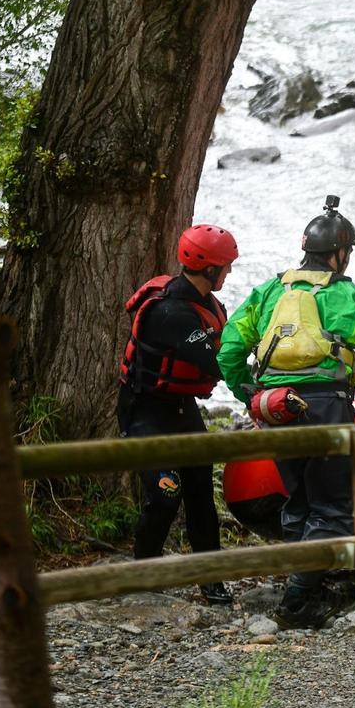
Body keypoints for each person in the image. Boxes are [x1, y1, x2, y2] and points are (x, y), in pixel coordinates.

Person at [217, 196, 355, 628]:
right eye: (348, 252)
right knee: (333, 508)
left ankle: (303, 583)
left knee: (298, 496)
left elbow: (228, 350)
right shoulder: (349, 296)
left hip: (276, 408)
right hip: (325, 408)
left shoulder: (268, 291)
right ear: (339, 253)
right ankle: (298, 602)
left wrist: (249, 394)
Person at [118, 224, 239, 606]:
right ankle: (145, 574)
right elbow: (218, 362)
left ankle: (210, 578)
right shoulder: (171, 313)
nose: (230, 272)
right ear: (209, 269)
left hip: (181, 409)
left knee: (201, 491)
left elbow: (225, 349)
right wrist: (254, 390)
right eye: (226, 266)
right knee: (165, 494)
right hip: (145, 411)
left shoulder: (207, 305)